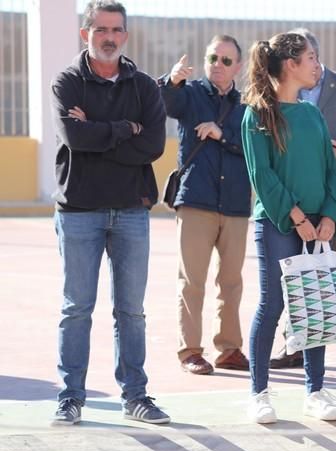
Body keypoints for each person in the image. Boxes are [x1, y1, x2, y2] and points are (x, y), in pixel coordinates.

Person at [50, 0, 169, 425]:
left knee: (131, 311)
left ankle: (136, 396)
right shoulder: (67, 82)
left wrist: (99, 130)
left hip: (131, 212)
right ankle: (71, 397)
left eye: (116, 30)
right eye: (100, 29)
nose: (109, 37)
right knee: (77, 308)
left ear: (125, 36)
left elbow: (153, 145)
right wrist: (124, 129)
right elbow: (74, 137)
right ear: (86, 34)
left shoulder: (144, 87)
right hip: (79, 211)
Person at [241, 32, 336, 424]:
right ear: (290, 64)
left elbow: (329, 172)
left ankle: (315, 391)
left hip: (318, 225)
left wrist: (329, 217)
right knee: (272, 305)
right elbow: (262, 175)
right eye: (311, 57)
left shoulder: (312, 114)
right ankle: (259, 393)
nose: (317, 65)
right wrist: (297, 218)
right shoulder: (256, 114)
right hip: (276, 224)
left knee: (314, 303)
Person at [268, 28, 336, 373]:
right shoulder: (277, 98)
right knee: (295, 275)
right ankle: (294, 344)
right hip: (294, 201)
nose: (310, 61)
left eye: (311, 54)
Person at [159, 35, 251, 375]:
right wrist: (171, 80)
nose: (218, 65)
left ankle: (229, 349)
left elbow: (255, 147)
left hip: (236, 204)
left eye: (227, 61)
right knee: (192, 281)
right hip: (196, 200)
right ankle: (190, 352)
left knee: (231, 281)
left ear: (238, 67)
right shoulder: (191, 93)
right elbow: (165, 103)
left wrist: (221, 133)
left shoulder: (247, 107)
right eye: (213, 58)